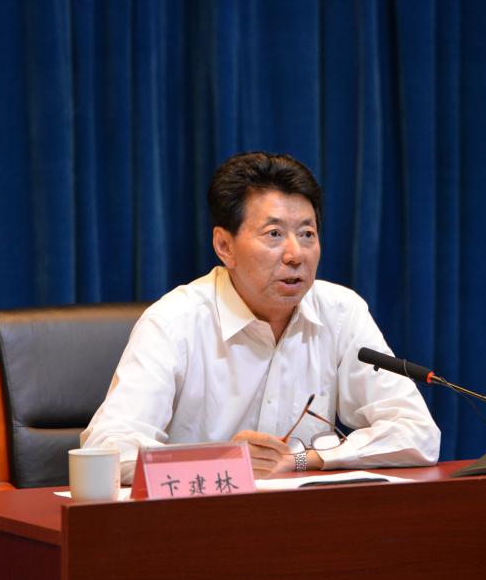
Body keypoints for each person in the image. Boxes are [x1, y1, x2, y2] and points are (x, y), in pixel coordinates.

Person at [81, 151, 440, 480]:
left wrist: (306, 460)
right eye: (274, 234)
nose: (295, 254)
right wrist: (223, 461)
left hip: (303, 519)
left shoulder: (341, 313)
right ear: (225, 246)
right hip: (199, 519)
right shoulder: (174, 322)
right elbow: (108, 449)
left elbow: (418, 432)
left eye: (307, 234)